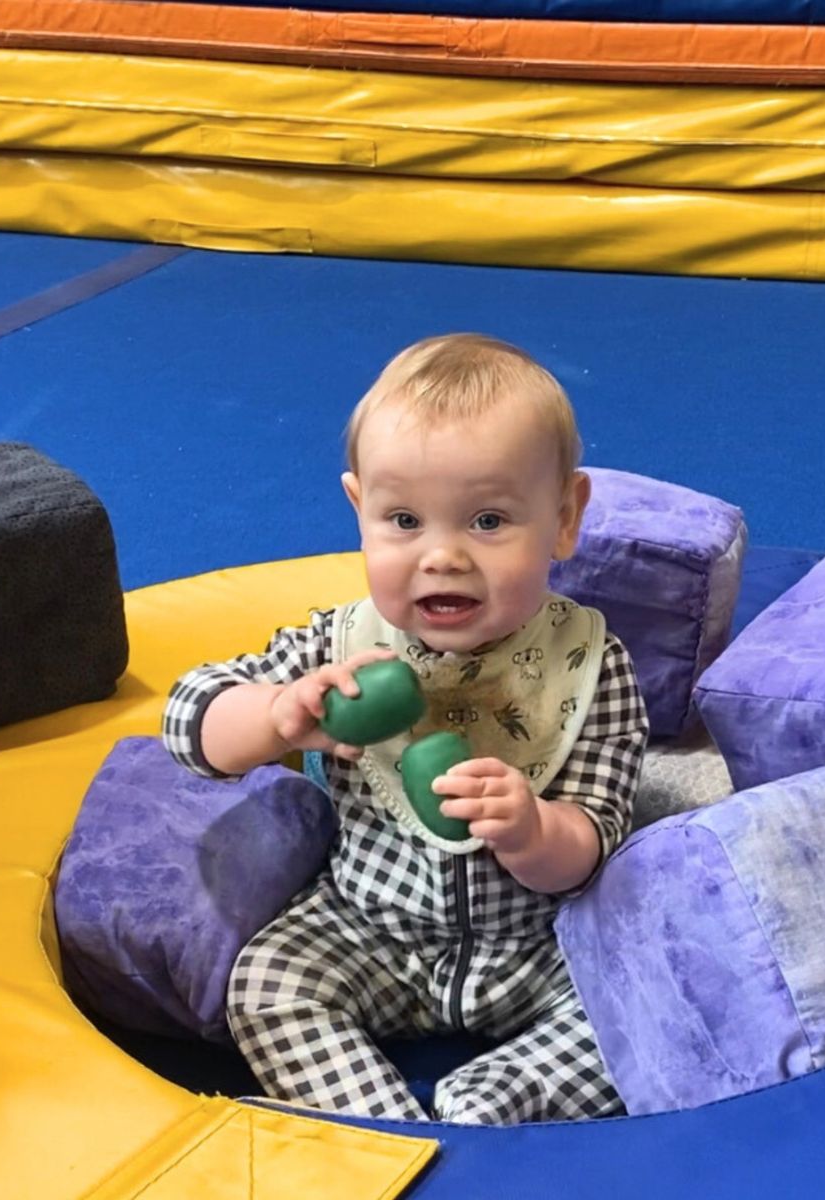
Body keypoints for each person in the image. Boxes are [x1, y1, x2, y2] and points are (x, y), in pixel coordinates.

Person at [162, 332, 648, 1124]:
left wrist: (531, 830)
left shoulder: (591, 665)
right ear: (359, 510)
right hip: (370, 930)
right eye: (404, 520)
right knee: (266, 982)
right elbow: (188, 721)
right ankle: (388, 1133)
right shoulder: (339, 647)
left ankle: (485, 1108)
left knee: (644, 999)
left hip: (537, 945)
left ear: (564, 519)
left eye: (489, 520)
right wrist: (275, 716)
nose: (443, 556)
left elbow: (594, 844)